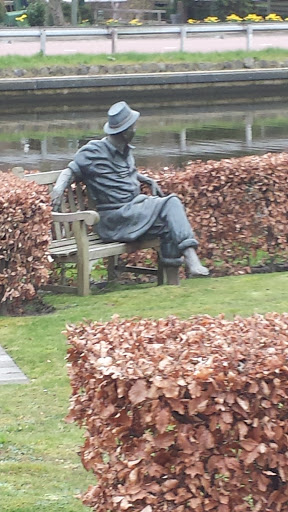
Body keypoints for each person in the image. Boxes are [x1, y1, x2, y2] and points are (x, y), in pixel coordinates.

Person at [51, 101, 209, 278]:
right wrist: (58, 188)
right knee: (171, 202)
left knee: (168, 225)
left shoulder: (125, 151)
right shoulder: (93, 151)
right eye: (133, 126)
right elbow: (70, 171)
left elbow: (123, 174)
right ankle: (193, 261)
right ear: (125, 132)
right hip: (114, 220)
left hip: (132, 212)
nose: (135, 129)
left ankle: (172, 283)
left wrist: (145, 179)